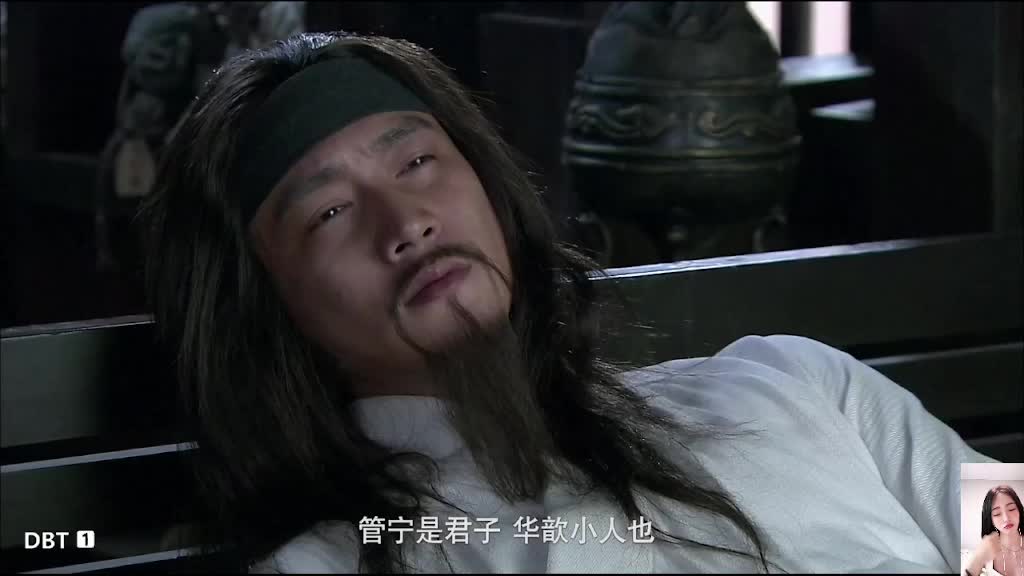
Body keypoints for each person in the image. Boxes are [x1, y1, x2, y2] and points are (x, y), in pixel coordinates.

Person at [139, 31, 999, 574]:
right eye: (329, 212)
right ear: (266, 308)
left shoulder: (798, 384)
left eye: (418, 163)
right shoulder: (342, 563)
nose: (407, 224)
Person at [964, 486, 1024, 576]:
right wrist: (977, 560)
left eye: (1011, 509)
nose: (1006, 518)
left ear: (1019, 510)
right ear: (990, 520)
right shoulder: (985, 552)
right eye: (997, 514)